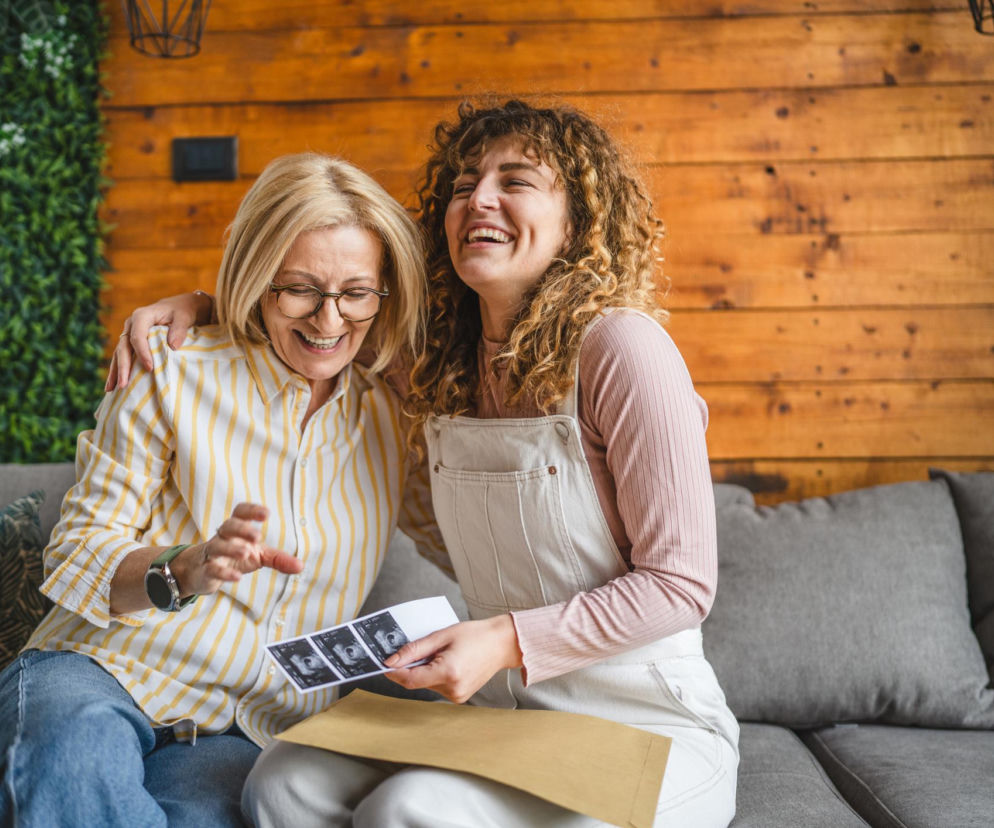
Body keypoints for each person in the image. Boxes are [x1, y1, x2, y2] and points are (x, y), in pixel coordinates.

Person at [112, 99, 739, 827]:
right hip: (506, 716)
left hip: (646, 722)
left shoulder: (623, 349)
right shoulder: (436, 363)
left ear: (579, 221)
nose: (480, 199)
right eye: (465, 184)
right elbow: (318, 310)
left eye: (515, 180)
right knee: (284, 777)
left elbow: (680, 584)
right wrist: (204, 305)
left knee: (413, 808)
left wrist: (503, 639)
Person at [0, 152, 443, 827]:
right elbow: (76, 554)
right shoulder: (172, 370)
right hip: (98, 673)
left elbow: (464, 536)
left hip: (241, 731)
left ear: (385, 293)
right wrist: (185, 567)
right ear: (258, 277)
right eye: (299, 289)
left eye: (356, 293)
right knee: (73, 758)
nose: (329, 321)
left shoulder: (394, 418)